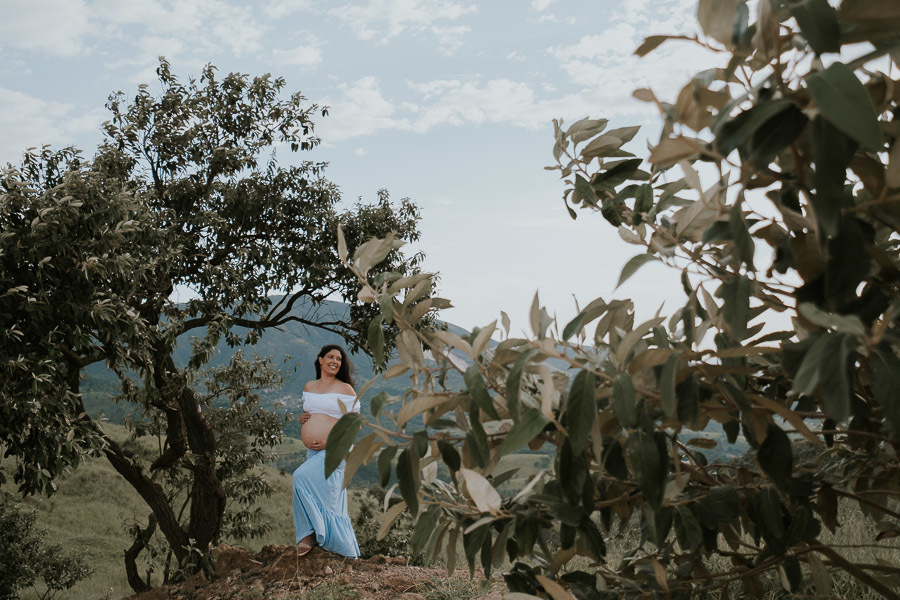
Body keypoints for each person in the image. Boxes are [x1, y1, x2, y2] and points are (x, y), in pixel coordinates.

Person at [292, 344, 361, 558]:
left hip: (336, 449)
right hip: (313, 452)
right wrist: (302, 418)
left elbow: (355, 424)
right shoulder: (310, 386)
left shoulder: (345, 389)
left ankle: (309, 534)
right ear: (320, 360)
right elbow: (309, 412)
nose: (335, 361)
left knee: (300, 477)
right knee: (327, 498)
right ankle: (334, 543)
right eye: (330, 357)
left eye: (339, 359)